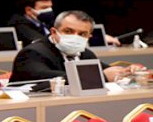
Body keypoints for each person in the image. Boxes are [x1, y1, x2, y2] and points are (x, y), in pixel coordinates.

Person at [10, 10, 138, 85]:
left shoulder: (85, 53)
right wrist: (100, 77)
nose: (75, 37)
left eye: (82, 34)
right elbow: (46, 77)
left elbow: (104, 70)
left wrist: (126, 72)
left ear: (89, 37)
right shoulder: (32, 53)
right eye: (68, 31)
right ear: (54, 32)